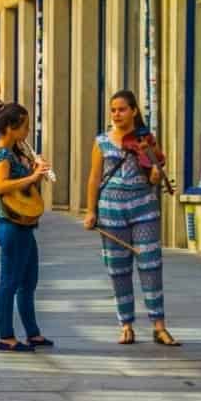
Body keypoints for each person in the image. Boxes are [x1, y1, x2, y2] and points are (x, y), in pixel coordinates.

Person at [83, 90, 178, 346]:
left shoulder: (146, 139)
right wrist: (91, 211)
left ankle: (159, 326)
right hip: (111, 209)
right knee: (118, 269)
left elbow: (153, 173)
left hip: (143, 207)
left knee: (150, 265)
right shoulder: (102, 141)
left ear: (134, 111)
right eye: (113, 110)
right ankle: (125, 325)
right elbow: (94, 177)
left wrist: (157, 176)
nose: (117, 114)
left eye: (122, 109)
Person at [0, 103, 53, 352]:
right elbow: (2, 185)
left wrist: (35, 168)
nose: (27, 131)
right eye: (24, 126)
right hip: (11, 224)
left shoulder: (14, 152)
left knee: (29, 280)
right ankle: (6, 337)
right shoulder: (2, 154)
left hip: (23, 224)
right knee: (10, 281)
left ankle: (33, 333)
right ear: (10, 128)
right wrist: (33, 177)